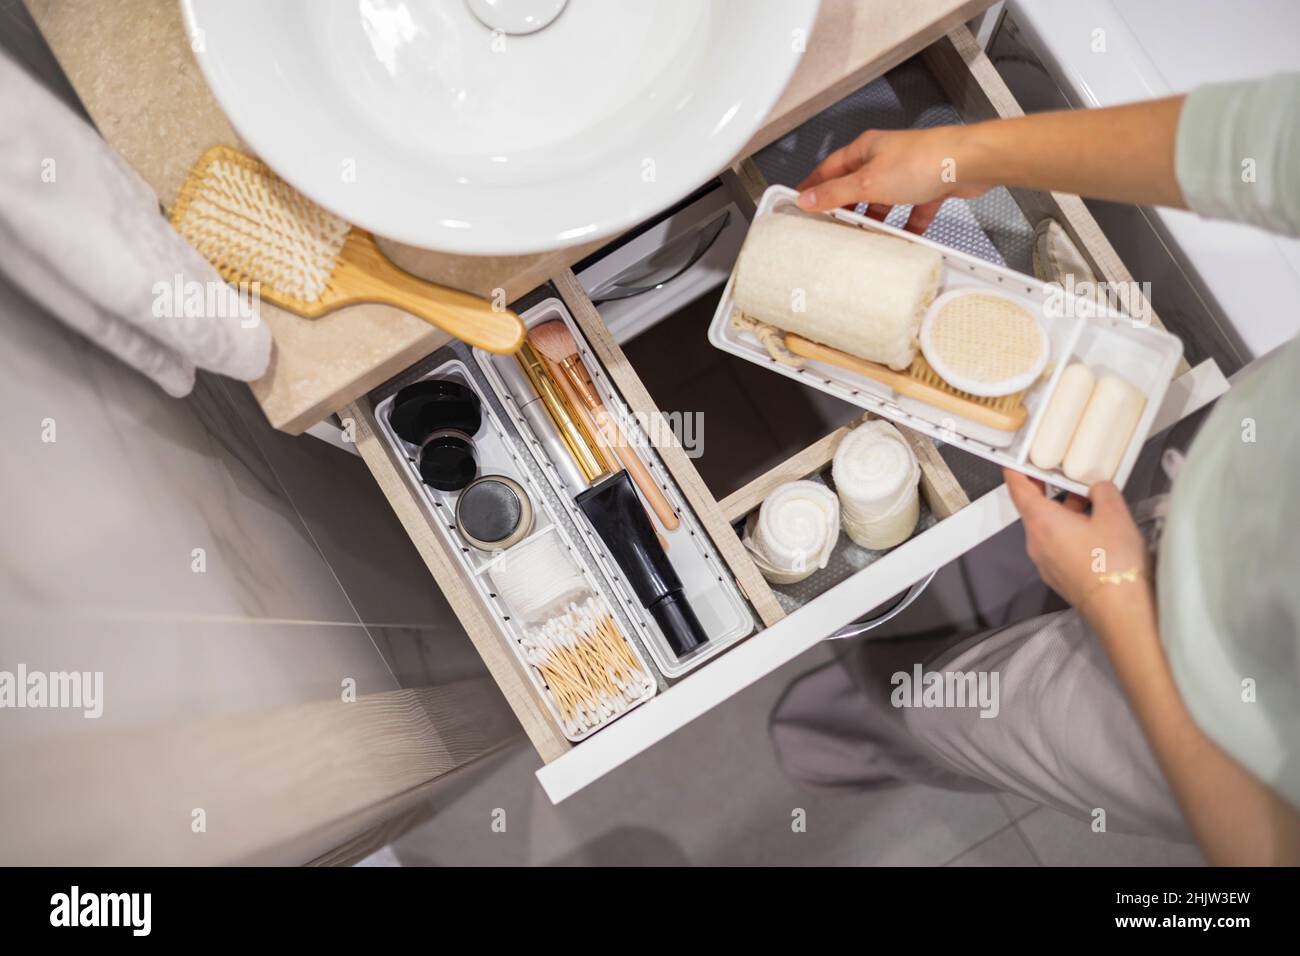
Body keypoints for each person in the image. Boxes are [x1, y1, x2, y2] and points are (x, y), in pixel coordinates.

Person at [771, 74, 1300, 865]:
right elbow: (1262, 140)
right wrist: (968, 153)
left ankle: (900, 736)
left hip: (1211, 730)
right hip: (1238, 486)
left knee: (972, 712)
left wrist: (1114, 601)